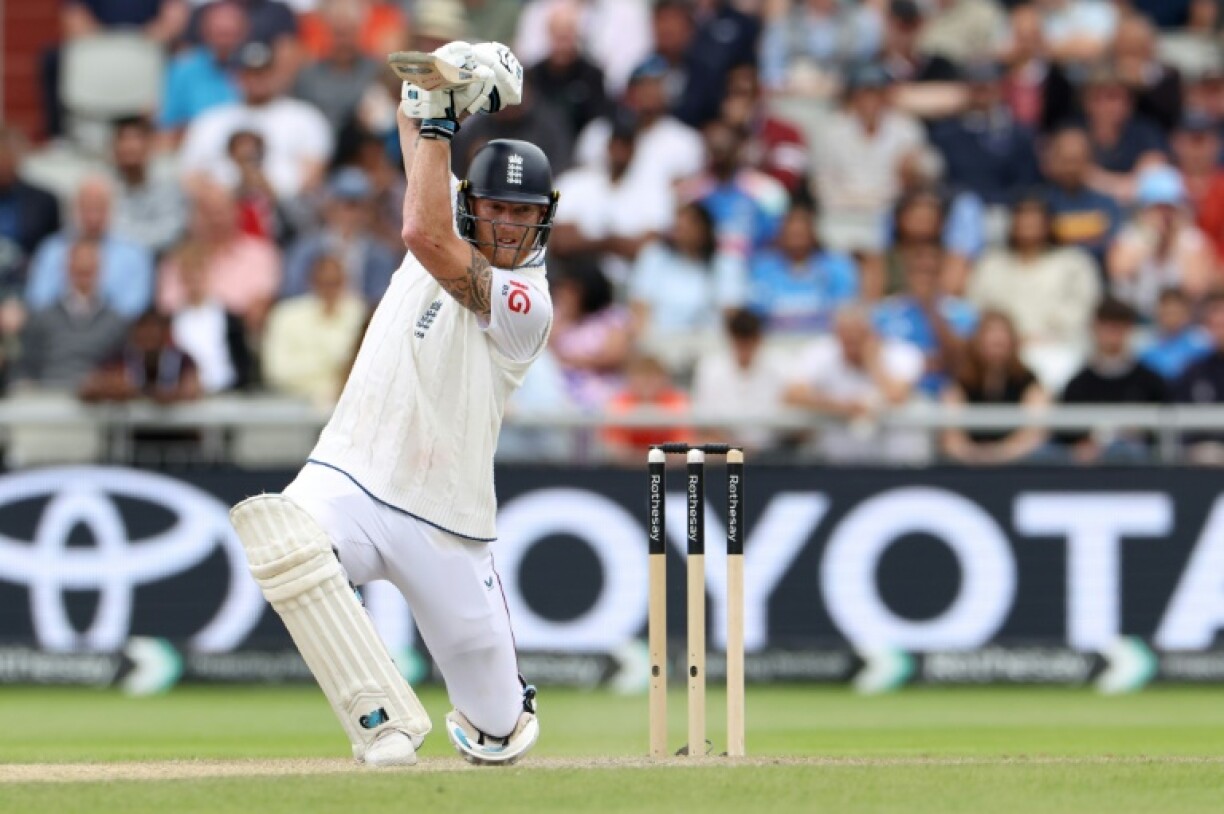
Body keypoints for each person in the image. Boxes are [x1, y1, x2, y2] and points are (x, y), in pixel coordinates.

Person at [229, 41, 547, 768]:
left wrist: (441, 120)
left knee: (498, 734)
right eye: (494, 206)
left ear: (543, 222)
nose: (505, 224)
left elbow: (421, 231)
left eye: (521, 214)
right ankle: (383, 724)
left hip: (448, 519)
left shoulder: (527, 301)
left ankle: (501, 713)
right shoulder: (444, 214)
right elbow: (417, 140)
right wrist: (437, 84)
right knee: (285, 542)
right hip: (351, 471)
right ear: (472, 202)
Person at [970, 195, 1101, 390]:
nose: (1029, 226)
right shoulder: (991, 264)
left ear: (1048, 224)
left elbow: (1083, 308)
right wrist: (1009, 339)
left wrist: (1043, 336)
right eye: (1023, 220)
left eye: (1035, 221)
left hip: (1056, 346)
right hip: (1001, 351)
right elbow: (977, 309)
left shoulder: (1074, 263)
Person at [1058, 297, 1166, 463]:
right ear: (1094, 329)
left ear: (1129, 329)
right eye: (1106, 326)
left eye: (1118, 326)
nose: (1112, 333)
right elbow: (1065, 435)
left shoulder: (1151, 383)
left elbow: (1164, 432)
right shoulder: (1078, 385)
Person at [13, 239, 128, 392]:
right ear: (68, 268)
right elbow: (26, 364)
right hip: (47, 396)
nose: (84, 271)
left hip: (96, 399)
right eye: (79, 268)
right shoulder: (43, 317)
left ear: (100, 270)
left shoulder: (116, 321)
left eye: (89, 268)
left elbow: (120, 367)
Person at [940, 310, 1051, 465]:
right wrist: (974, 456)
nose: (996, 346)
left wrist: (997, 455)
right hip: (967, 467)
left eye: (1001, 342)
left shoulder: (1028, 381)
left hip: (1019, 466)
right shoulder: (961, 382)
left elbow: (1034, 433)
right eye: (991, 341)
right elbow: (951, 436)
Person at [1107, 165, 1213, 320]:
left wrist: (1174, 242)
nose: (1164, 216)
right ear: (1144, 210)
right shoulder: (1129, 237)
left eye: (1169, 208)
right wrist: (1152, 239)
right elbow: (1119, 273)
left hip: (1180, 321)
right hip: (1137, 318)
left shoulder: (1193, 240)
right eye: (1157, 208)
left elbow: (1196, 288)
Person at [263, 254, 369, 407]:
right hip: (293, 407)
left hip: (351, 405)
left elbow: (365, 370)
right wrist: (332, 363)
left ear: (345, 282)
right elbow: (277, 370)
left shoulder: (360, 313)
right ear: (312, 282)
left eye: (335, 283)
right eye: (324, 283)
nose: (329, 289)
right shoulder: (286, 315)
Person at [747, 203, 858, 334]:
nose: (797, 241)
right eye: (792, 234)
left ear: (813, 233)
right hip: (774, 341)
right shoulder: (762, 267)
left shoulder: (837, 266)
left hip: (823, 341)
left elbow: (845, 310)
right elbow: (755, 311)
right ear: (781, 235)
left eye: (800, 234)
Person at [1138, 287, 1212, 382]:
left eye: (1175, 312)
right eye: (1167, 313)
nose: (1171, 318)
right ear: (1158, 313)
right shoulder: (1145, 347)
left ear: (1186, 313)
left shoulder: (1201, 344)